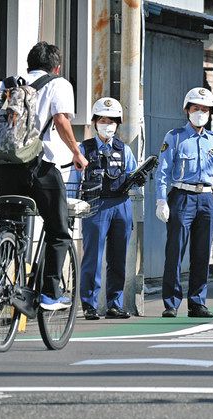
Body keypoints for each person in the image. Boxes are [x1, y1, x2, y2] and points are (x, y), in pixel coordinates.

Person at [0, 41, 88, 310]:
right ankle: (50, 292)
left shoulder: (7, 85)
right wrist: (77, 154)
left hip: (4, 169)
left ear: (29, 63)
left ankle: (2, 281)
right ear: (56, 66)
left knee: (11, 228)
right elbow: (60, 120)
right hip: (40, 167)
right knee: (59, 231)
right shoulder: (59, 84)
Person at [155, 87, 213, 318]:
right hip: (182, 195)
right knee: (175, 251)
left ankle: (197, 302)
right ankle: (171, 303)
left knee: (202, 252)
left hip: (206, 198)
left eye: (205, 109)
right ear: (187, 110)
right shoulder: (175, 136)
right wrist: (160, 200)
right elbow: (162, 171)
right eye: (196, 108)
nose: (200, 113)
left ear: (210, 113)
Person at [68, 97, 137, 320]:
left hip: (121, 204)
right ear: (95, 122)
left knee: (118, 257)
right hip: (94, 205)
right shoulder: (83, 148)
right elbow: (73, 179)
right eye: (103, 120)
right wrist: (70, 208)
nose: (107, 125)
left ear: (118, 124)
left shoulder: (124, 149)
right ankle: (89, 304)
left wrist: (137, 181)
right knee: (93, 257)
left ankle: (114, 304)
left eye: (112, 121)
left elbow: (134, 176)